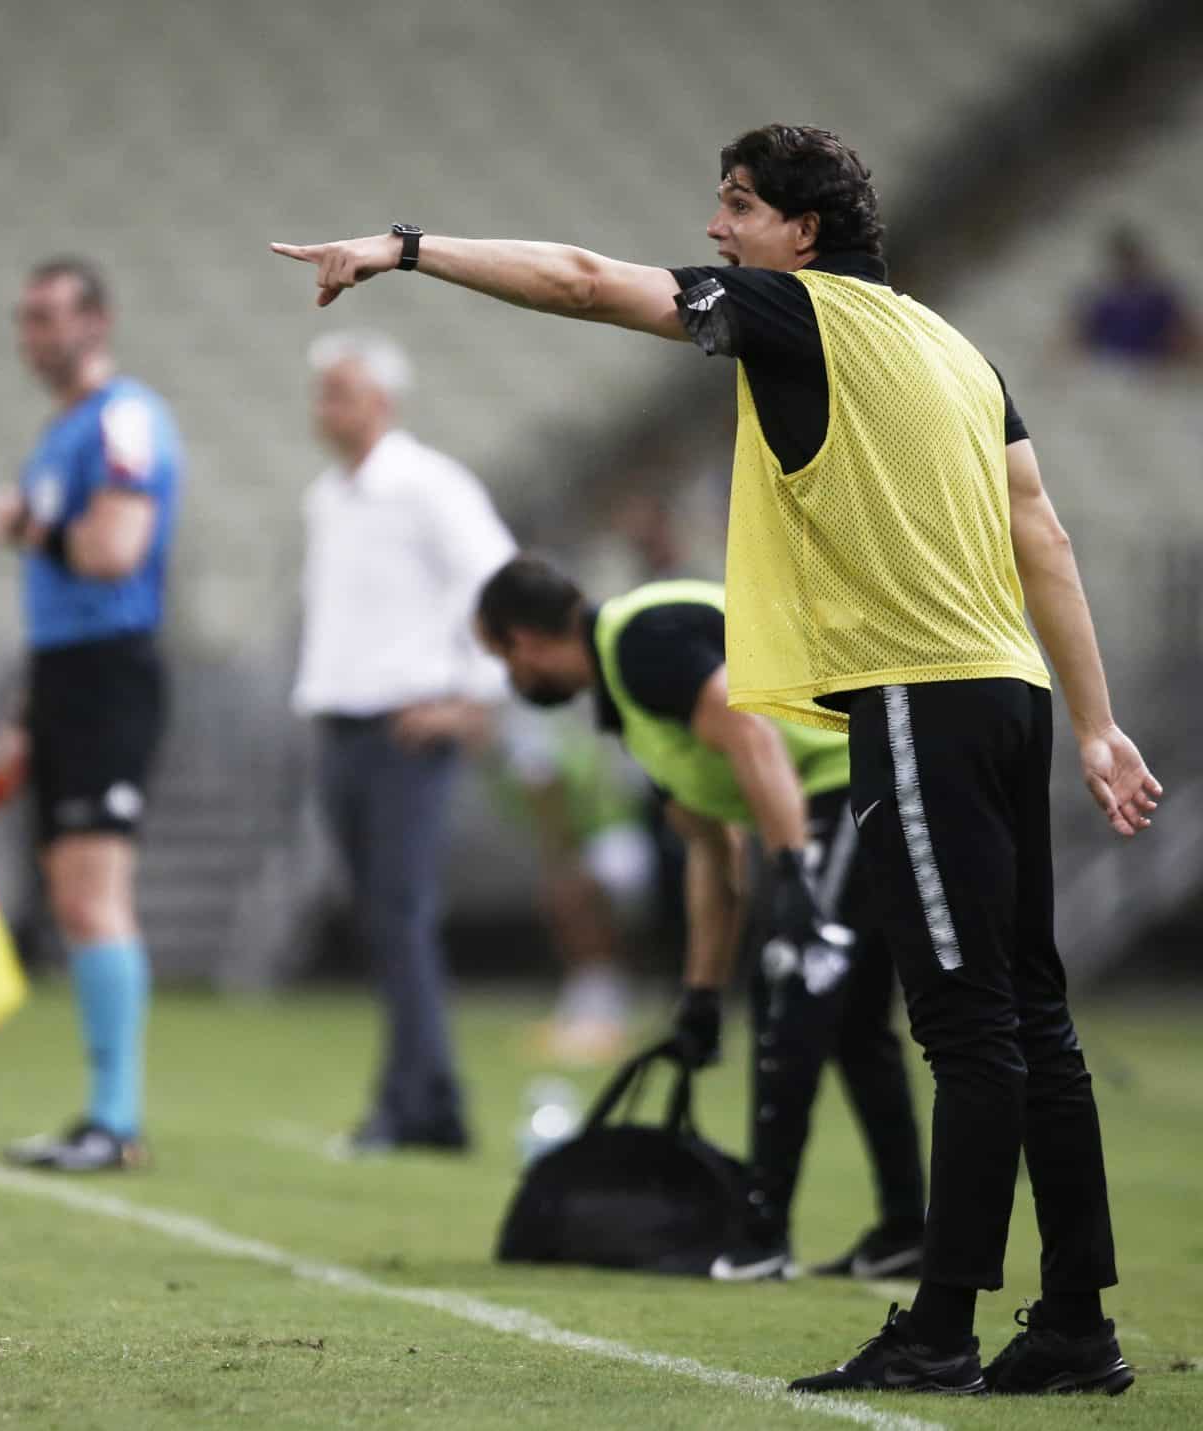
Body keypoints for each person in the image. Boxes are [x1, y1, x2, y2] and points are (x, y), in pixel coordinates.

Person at [273, 122, 1160, 1397]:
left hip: (918, 697)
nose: (712, 231)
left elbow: (583, 280)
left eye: (736, 207)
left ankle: (941, 1326)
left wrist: (401, 249)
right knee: (1033, 1022)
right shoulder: (953, 347)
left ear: (801, 235)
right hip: (1010, 693)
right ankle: (1071, 1323)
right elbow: (1042, 531)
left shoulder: (794, 314)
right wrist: (1091, 719)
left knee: (966, 1029)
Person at [476, 555, 927, 1283]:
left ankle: (763, 1234)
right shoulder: (630, 702)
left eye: (500, 655)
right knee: (851, 1022)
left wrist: (793, 872)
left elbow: (751, 735)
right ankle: (906, 1230)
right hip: (837, 790)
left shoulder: (638, 641)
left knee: (793, 997)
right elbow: (711, 850)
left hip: (854, 776)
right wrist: (701, 995)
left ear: (522, 641)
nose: (509, 676)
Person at [0, 256, 183, 1173]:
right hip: (61, 676)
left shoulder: (123, 418)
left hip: (110, 675)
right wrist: (24, 711)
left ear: (98, 320)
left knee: (96, 898)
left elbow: (114, 549)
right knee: (69, 900)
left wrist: (23, 526)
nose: (36, 335)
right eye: (26, 320)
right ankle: (103, 1114)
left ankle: (117, 1121)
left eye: (51, 316)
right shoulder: (58, 433)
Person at [292, 331, 515, 1154]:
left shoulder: (429, 487)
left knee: (400, 916)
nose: (324, 408)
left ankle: (412, 1104)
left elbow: (498, 583)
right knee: (386, 919)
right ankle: (434, 1102)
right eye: (323, 393)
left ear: (381, 401)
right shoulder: (329, 496)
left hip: (406, 728)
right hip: (346, 724)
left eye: (339, 392)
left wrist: (472, 699)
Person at [483, 697, 650, 1067]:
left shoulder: (525, 734)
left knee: (573, 899)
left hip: (607, 837)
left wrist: (560, 860)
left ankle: (601, 1012)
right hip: (601, 837)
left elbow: (548, 791)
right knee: (570, 906)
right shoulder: (516, 737)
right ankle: (587, 1005)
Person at [1068, 226, 1199, 367]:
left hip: (1157, 366)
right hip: (1110, 366)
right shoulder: (1099, 300)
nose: (1126, 267)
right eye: (1121, 261)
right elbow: (1078, 339)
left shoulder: (1161, 296)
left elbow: (1186, 333)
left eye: (1130, 260)